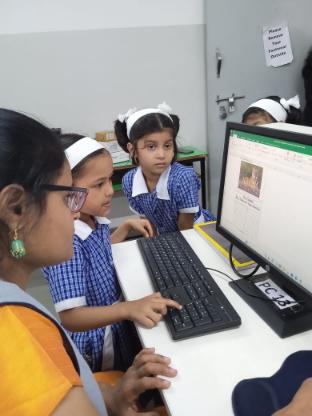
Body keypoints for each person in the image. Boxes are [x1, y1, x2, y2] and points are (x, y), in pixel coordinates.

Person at [0, 108, 177, 415]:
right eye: (68, 196)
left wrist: (112, 399)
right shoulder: (12, 334)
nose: (75, 211)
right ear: (16, 208)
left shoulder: (16, 299)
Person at [43, 133, 181, 373]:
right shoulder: (68, 239)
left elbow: (99, 251)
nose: (109, 191)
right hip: (100, 344)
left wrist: (125, 228)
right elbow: (71, 316)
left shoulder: (92, 219)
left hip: (115, 321)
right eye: (98, 184)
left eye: (110, 180)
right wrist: (128, 308)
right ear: (67, 188)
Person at [114, 102, 215, 235]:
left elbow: (186, 231)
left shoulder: (182, 178)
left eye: (167, 146)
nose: (161, 155)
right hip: (167, 237)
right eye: (151, 147)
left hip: (196, 234)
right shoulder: (129, 181)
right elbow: (147, 225)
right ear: (132, 149)